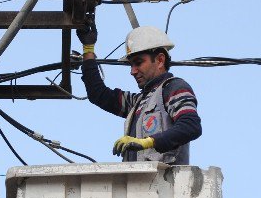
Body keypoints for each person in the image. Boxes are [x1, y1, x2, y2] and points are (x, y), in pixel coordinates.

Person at [77, 19, 201, 165]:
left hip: (165, 183)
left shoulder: (173, 88)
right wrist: (88, 49)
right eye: (131, 65)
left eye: (139, 62)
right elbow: (98, 94)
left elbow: (191, 126)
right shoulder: (139, 102)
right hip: (139, 185)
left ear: (160, 60)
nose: (132, 71)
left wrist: (148, 142)